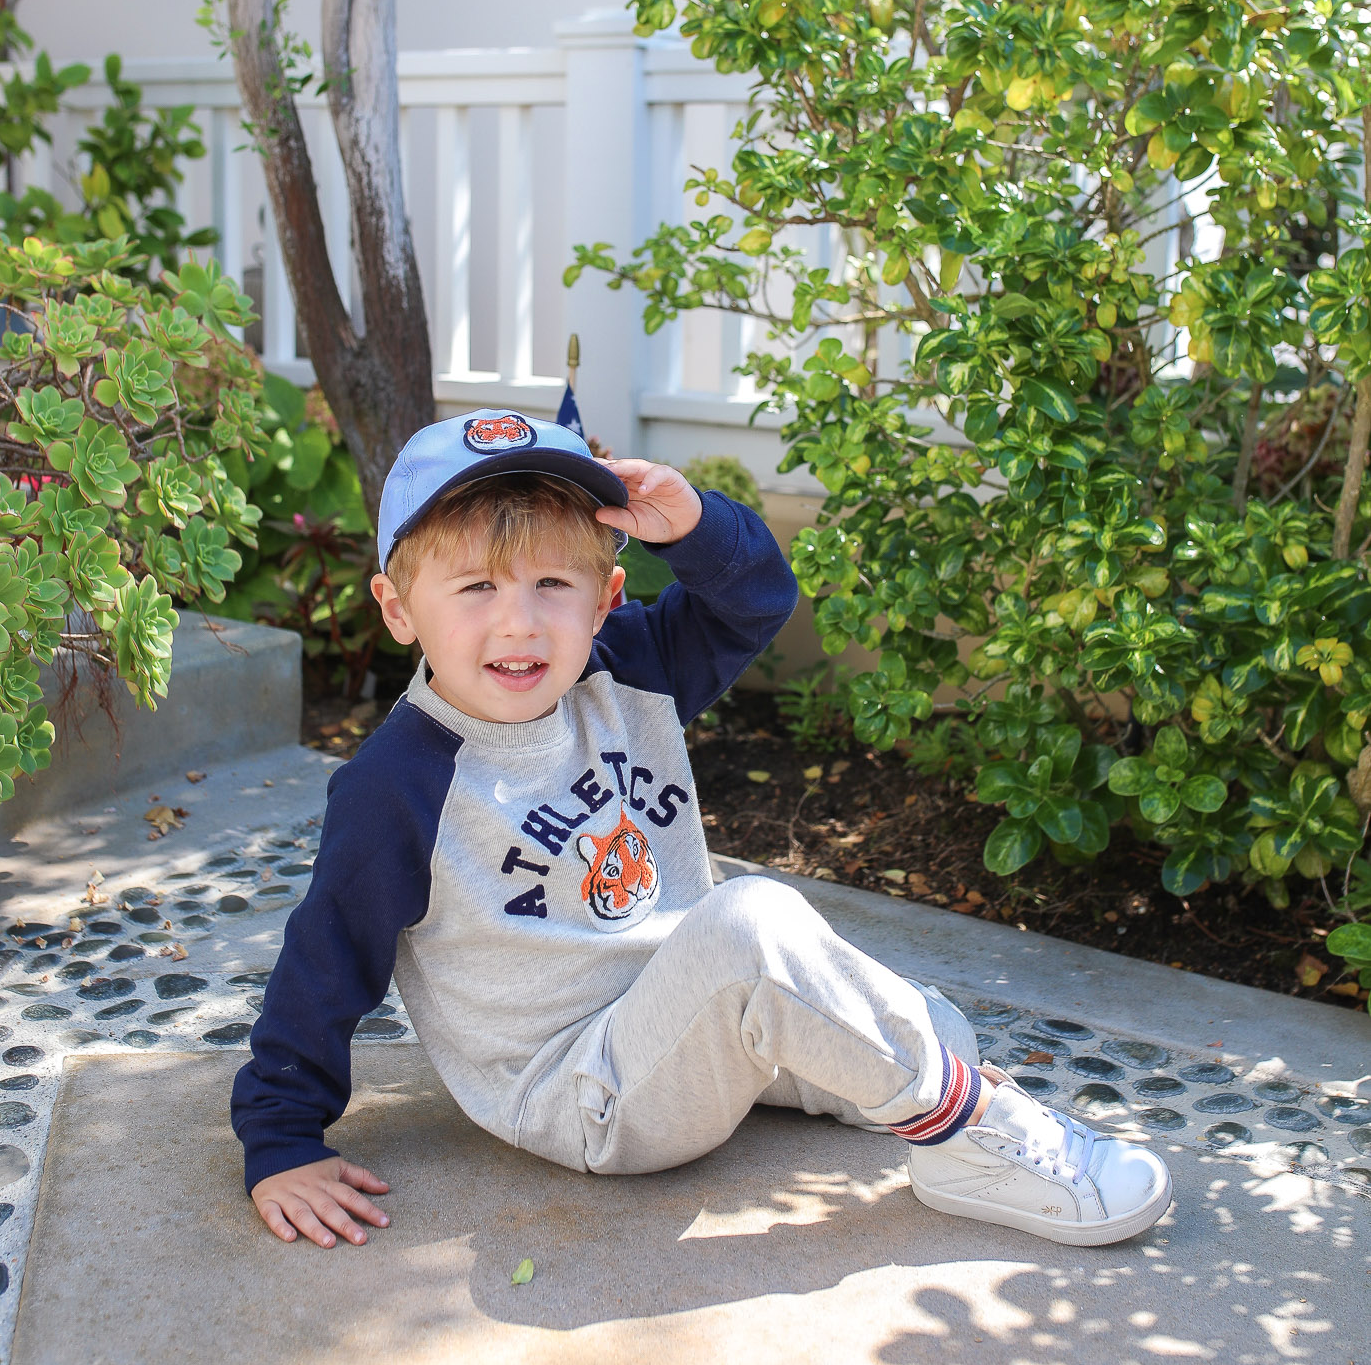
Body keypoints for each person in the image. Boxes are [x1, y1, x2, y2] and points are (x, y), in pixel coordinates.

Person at [232, 411, 1172, 1251]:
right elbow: (325, 960)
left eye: (554, 582)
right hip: (581, 1095)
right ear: (400, 609)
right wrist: (280, 1143)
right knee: (754, 927)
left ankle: (933, 1087)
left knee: (940, 1029)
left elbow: (754, 601)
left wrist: (695, 528)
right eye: (473, 587)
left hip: (688, 1024)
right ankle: (968, 1137)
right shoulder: (398, 785)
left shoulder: (626, 668)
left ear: (605, 601)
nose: (518, 623)